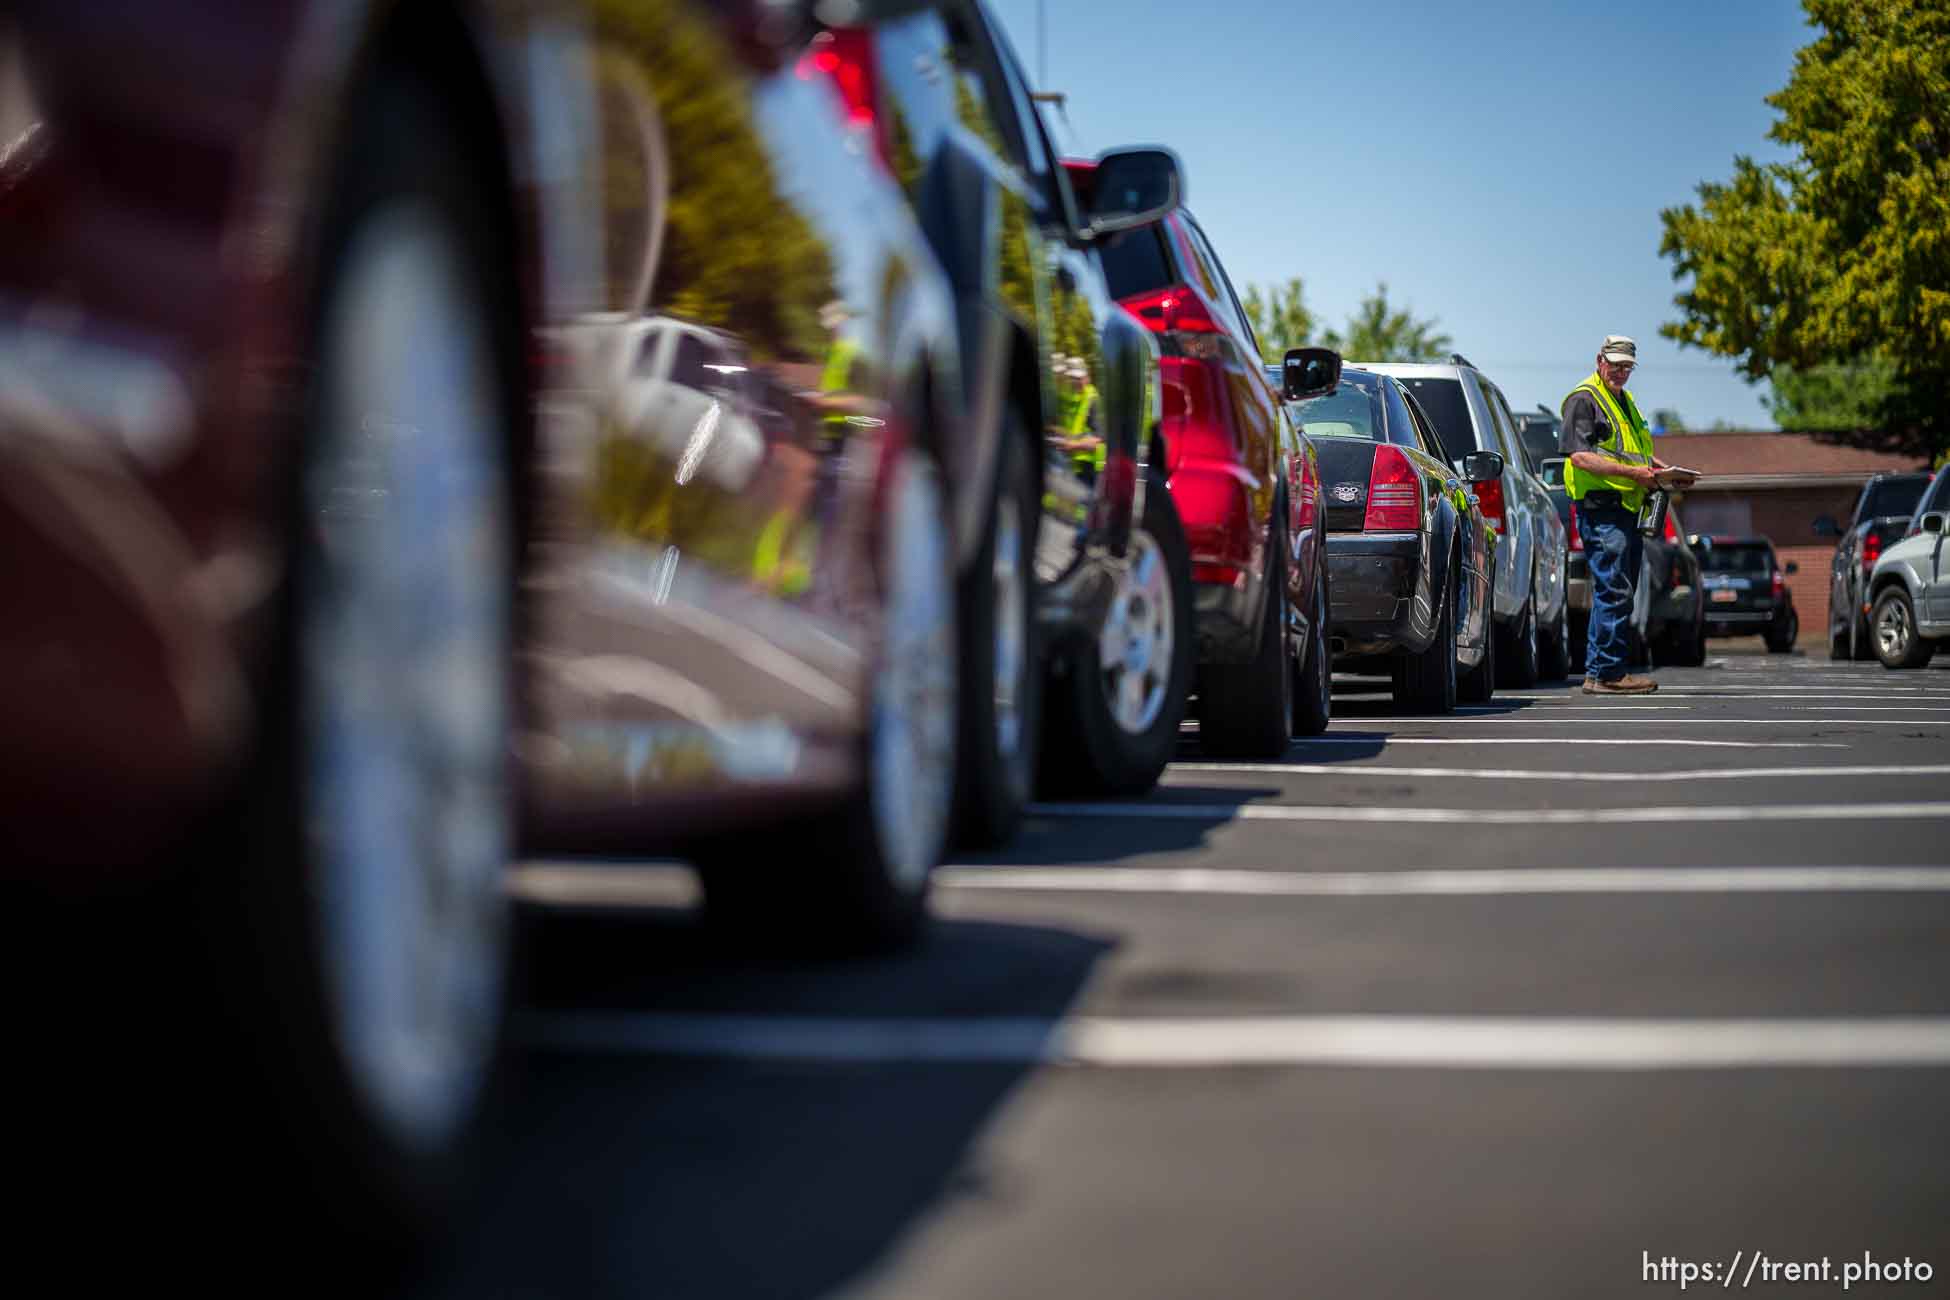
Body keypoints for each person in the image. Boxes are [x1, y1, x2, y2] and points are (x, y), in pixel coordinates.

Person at [1559, 334, 1679, 695]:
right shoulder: (1584, 399)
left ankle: (1601, 672)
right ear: (1599, 360)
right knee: (1613, 588)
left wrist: (1659, 469)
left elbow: (1628, 453)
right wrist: (1636, 475)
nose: (1621, 372)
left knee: (1618, 589)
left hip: (1624, 507)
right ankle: (1606, 673)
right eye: (1615, 364)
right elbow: (1579, 456)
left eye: (1627, 366)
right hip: (1602, 508)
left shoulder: (1625, 402)